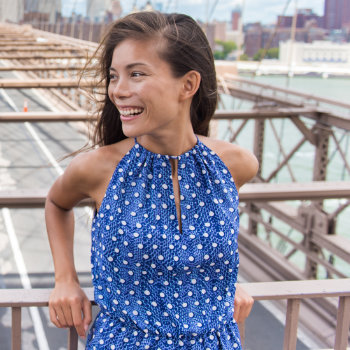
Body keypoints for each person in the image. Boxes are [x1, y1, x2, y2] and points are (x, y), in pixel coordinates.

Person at [45, 11, 258, 349]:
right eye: (115, 76)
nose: (118, 91)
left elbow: (206, 242)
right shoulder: (99, 169)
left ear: (188, 85)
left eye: (137, 74)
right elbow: (57, 203)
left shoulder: (235, 165)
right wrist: (65, 278)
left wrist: (221, 287)